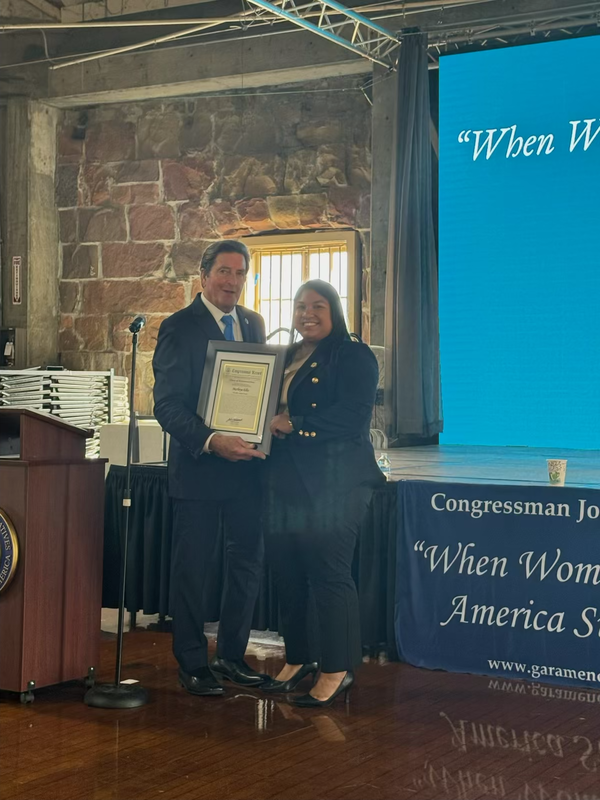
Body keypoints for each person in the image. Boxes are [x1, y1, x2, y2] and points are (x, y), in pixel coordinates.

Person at [152, 239, 270, 697]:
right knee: (193, 572)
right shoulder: (179, 327)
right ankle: (192, 663)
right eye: (224, 272)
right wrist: (210, 439)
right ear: (203, 276)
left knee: (246, 566)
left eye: (240, 274)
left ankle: (232, 657)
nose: (232, 282)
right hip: (200, 469)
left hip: (247, 471)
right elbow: (166, 406)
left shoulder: (254, 323)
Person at [262, 280, 384, 707]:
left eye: (317, 306)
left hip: (338, 481)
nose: (306, 313)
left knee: (329, 574)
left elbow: (352, 418)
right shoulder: (285, 356)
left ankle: (337, 668)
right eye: (299, 306)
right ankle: (298, 658)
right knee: (287, 573)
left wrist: (295, 422)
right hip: (285, 480)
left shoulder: (353, 355)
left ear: (335, 311)